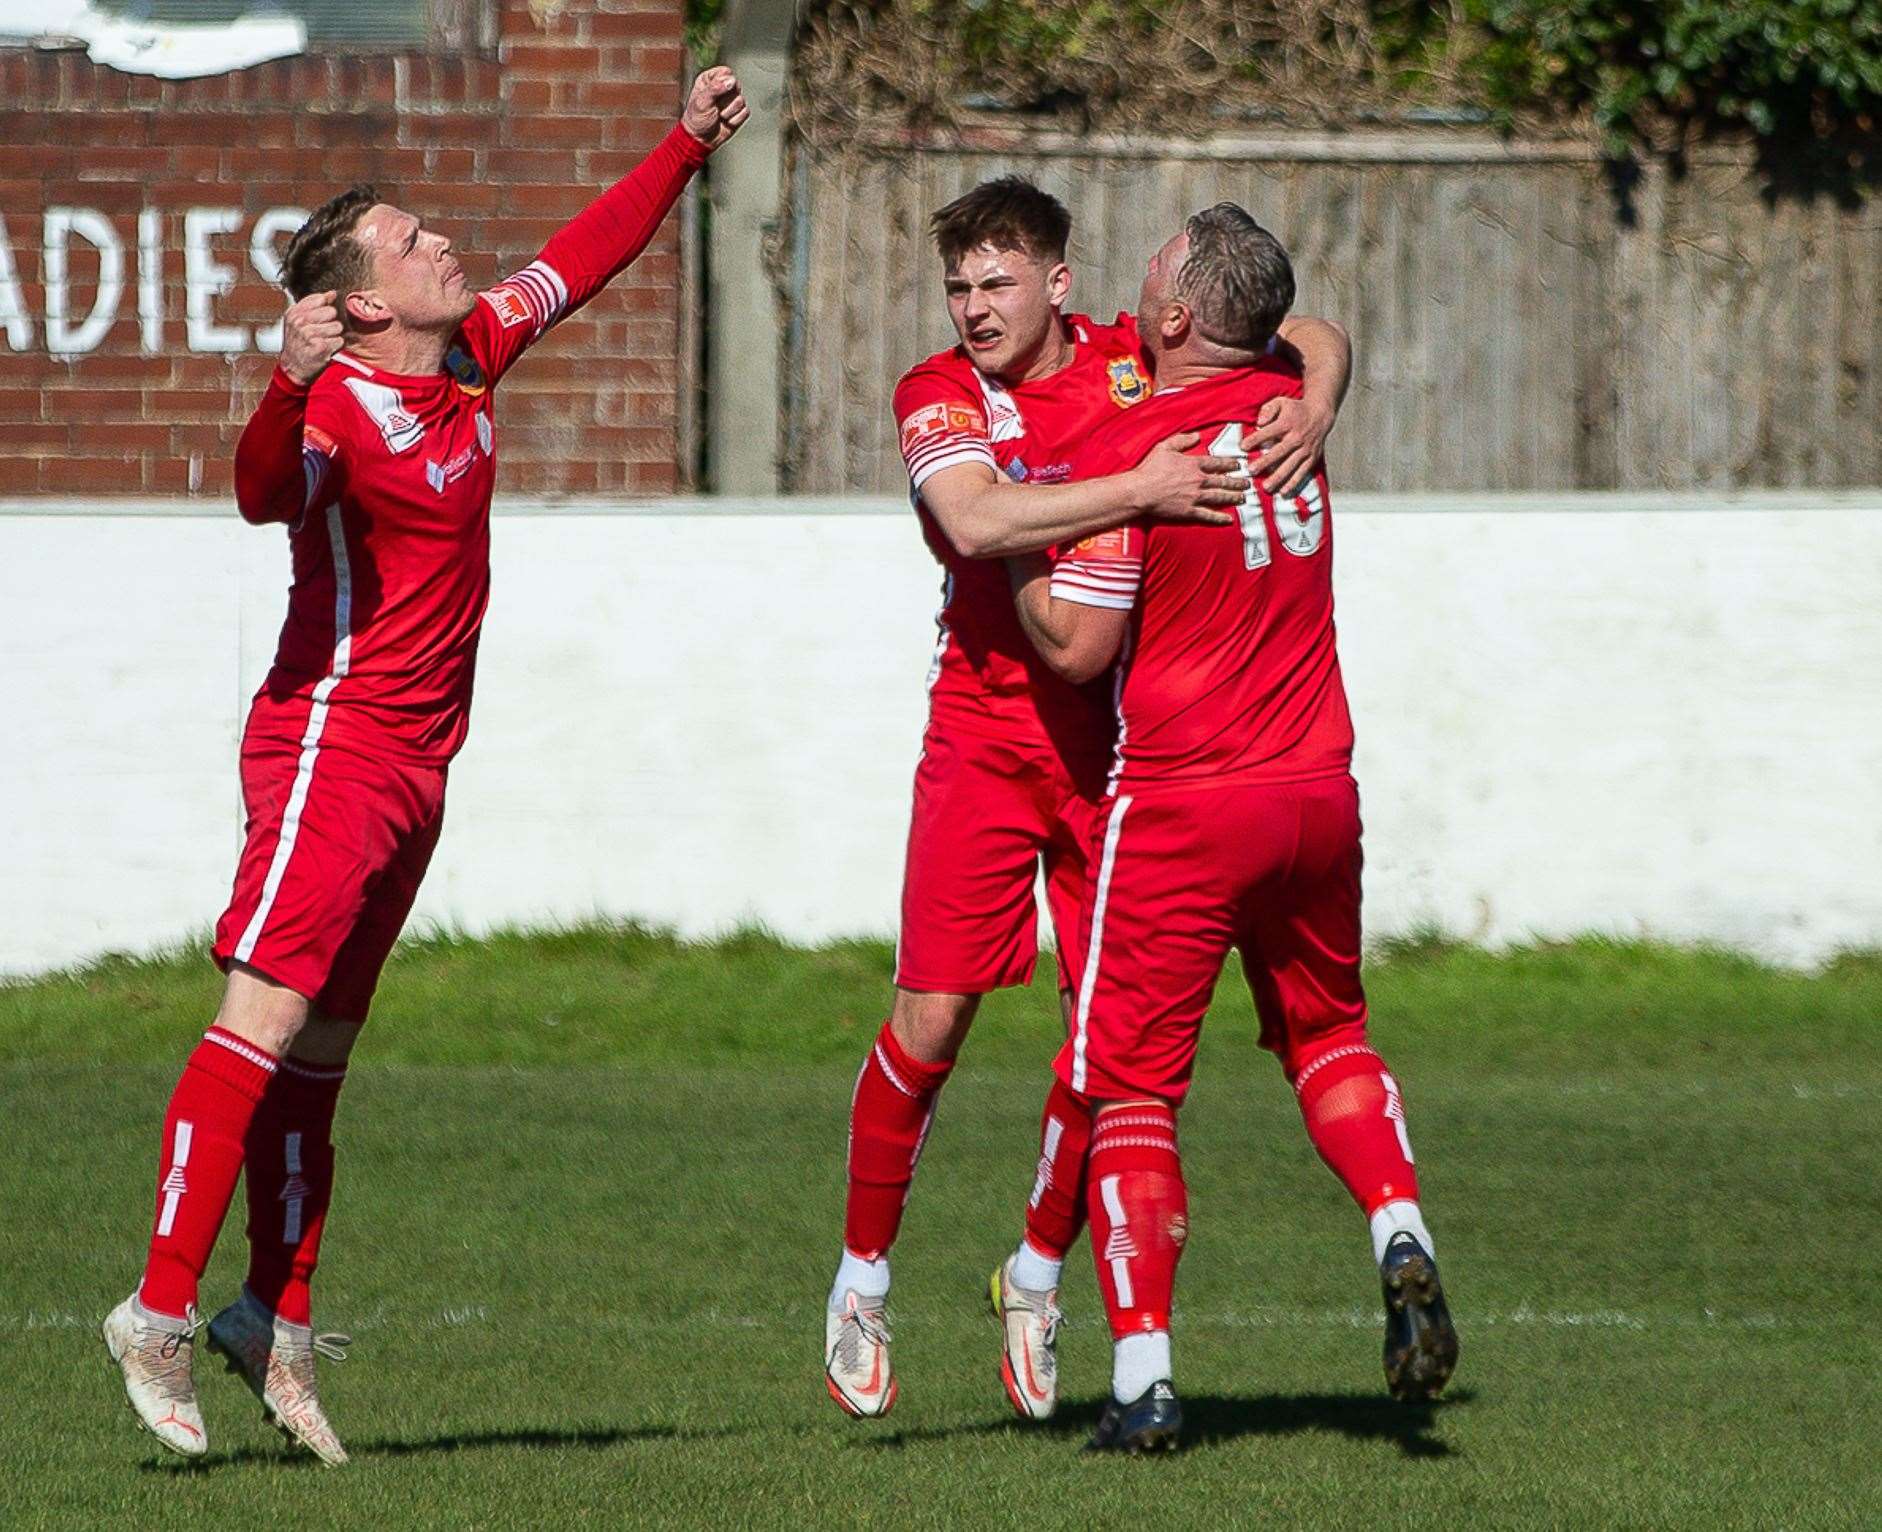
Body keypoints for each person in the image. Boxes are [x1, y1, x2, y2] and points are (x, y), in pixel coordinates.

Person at [100, 67, 750, 1465]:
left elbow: (580, 255)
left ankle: (269, 1320)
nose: (444, 243)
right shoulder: (337, 410)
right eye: (410, 241)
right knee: (259, 1025)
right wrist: (280, 386)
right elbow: (264, 492)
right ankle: (155, 1309)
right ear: (364, 305)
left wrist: (681, 145)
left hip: (418, 768)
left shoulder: (464, 361)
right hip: (330, 748)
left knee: (321, 1060)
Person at [822, 175, 1354, 1420]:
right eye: (957, 285)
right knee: (931, 1020)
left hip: (1115, 755)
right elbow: (972, 515)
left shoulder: (1129, 354)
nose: (971, 307)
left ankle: (1033, 1272)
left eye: (995, 281)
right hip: (984, 737)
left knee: (1101, 1043)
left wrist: (1314, 403)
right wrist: (1138, 490)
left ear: (1059, 284)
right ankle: (859, 1277)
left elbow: (1311, 329)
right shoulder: (940, 393)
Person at [1005, 204, 1457, 1453]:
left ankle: (1144, 1378)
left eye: (1154, 271)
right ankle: (1399, 1228)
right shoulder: (1284, 407)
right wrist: (1319, 390)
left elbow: (1081, 642)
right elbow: (1317, 332)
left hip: (1188, 800)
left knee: (1134, 1086)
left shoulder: (1144, 444)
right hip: (1317, 790)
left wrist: (1010, 562)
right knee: (1329, 1036)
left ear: (1172, 318)